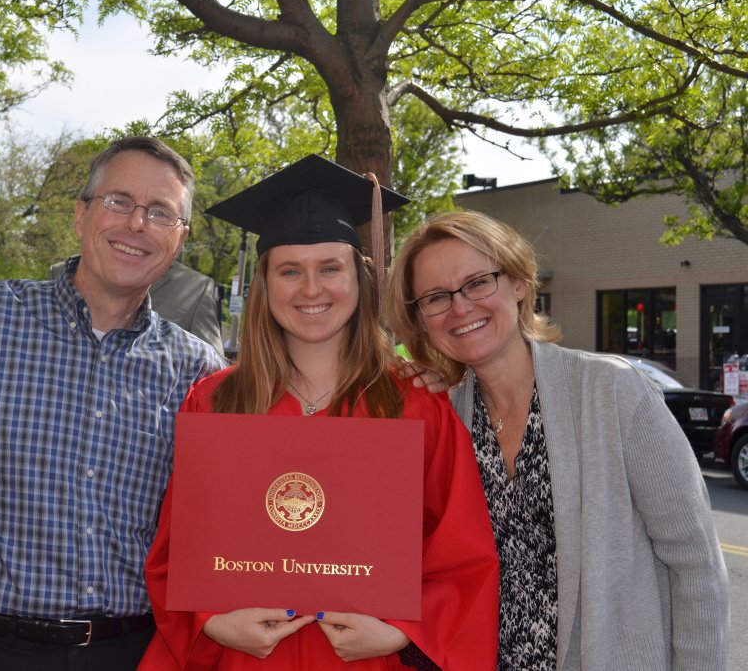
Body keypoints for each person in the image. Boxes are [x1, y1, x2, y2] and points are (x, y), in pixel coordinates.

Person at [0, 137, 226, 670]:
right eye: (119, 202)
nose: (136, 225)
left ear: (180, 239)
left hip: (130, 653)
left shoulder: (196, 371)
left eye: (160, 213)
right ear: (81, 214)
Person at [139, 155, 499, 670]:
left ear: (360, 276)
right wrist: (209, 620)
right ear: (265, 285)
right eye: (290, 271)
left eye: (330, 267)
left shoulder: (416, 407)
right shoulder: (216, 403)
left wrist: (402, 631)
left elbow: (464, 558)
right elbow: (177, 551)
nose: (311, 289)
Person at [386, 209, 729, 670]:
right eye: (436, 297)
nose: (461, 307)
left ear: (520, 283)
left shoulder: (612, 392)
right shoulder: (447, 418)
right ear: (420, 318)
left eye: (477, 283)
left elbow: (697, 565)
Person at [50, 257, 225, 357]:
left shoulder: (195, 287)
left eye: (158, 214)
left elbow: (214, 378)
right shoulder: (62, 272)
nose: (137, 224)